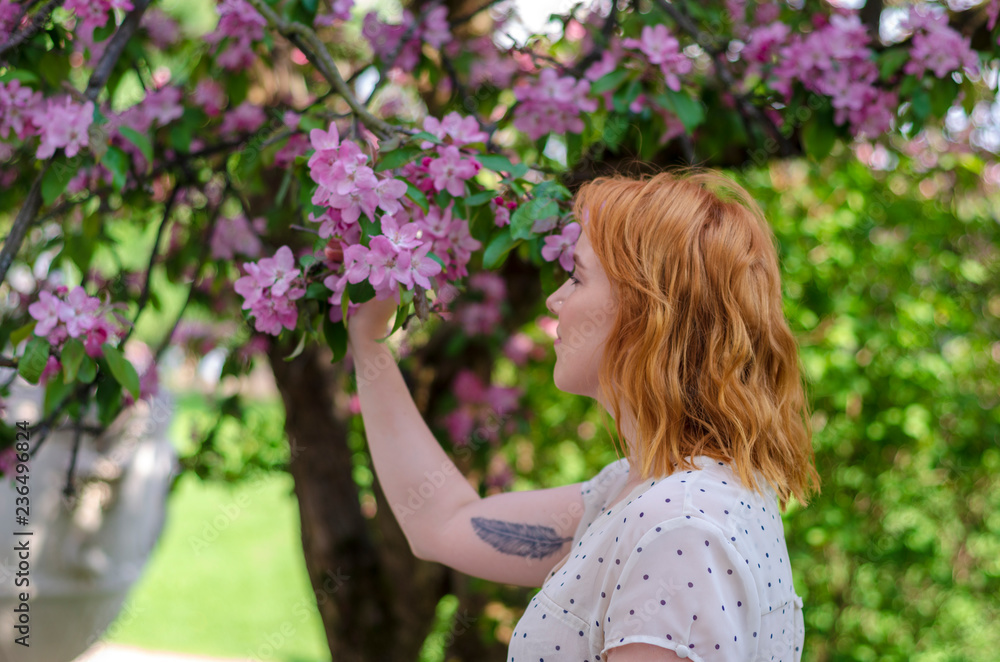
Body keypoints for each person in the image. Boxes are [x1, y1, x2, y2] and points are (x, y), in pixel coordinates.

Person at [346, 168, 820, 662]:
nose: (555, 299)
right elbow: (441, 523)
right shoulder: (641, 491)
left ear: (646, 311)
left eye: (576, 277)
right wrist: (368, 340)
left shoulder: (678, 527)